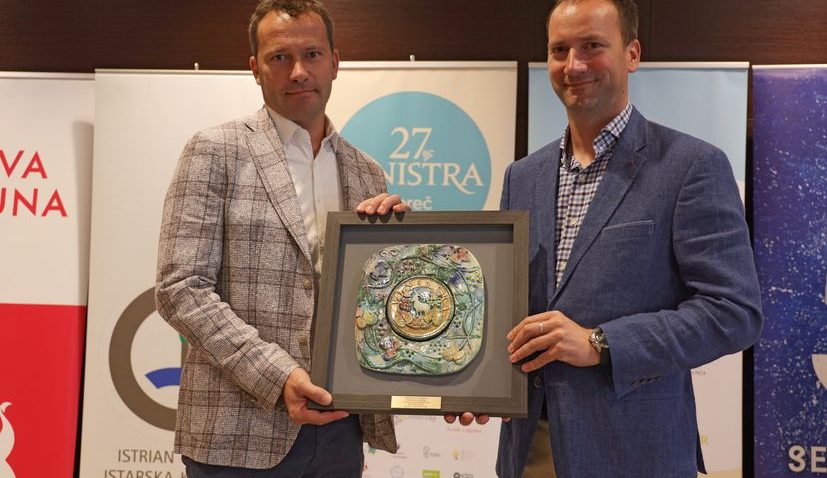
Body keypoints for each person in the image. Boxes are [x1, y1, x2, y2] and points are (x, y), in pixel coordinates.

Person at [496, 0, 763, 476]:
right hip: (528, 450)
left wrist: (601, 343)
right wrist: (471, 382)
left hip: (636, 453)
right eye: (559, 50)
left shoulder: (690, 166)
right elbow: (506, 306)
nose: (573, 65)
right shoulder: (523, 176)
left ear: (632, 54)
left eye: (592, 46)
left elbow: (734, 312)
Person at [154, 1, 405, 476]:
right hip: (237, 435)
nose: (298, 71)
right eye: (279, 57)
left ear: (335, 62)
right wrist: (277, 375)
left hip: (340, 429)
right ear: (255, 68)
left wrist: (402, 257)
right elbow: (179, 288)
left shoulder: (366, 171)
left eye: (312, 54)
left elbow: (371, 303)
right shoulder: (215, 151)